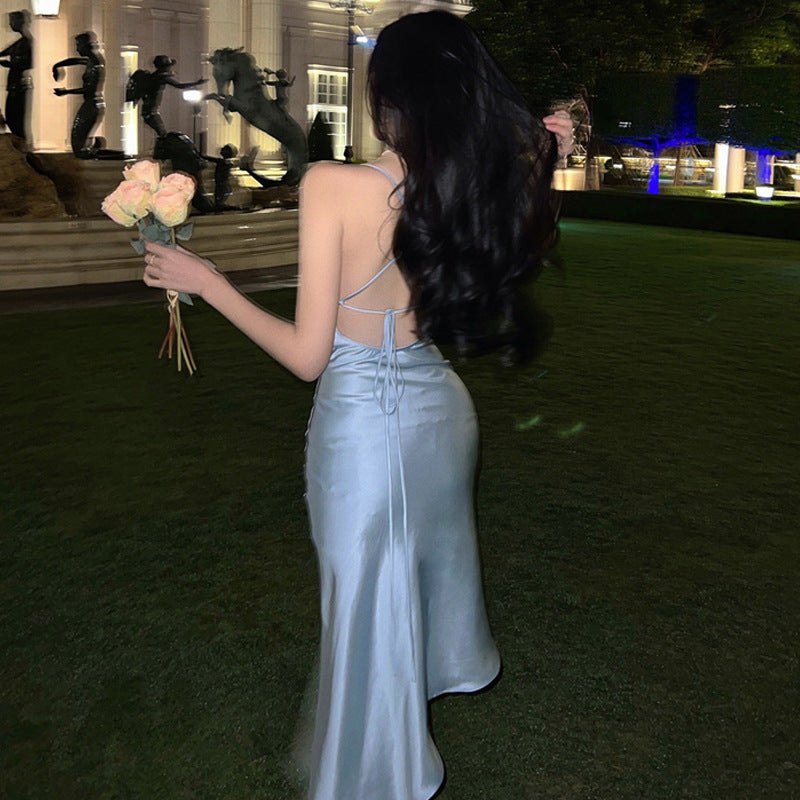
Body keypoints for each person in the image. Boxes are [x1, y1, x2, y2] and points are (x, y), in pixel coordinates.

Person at [142, 10, 574, 799]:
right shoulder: (462, 183)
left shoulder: (335, 185)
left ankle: (374, 775)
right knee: (400, 589)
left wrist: (207, 281)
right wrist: (547, 150)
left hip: (366, 434)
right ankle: (394, 733)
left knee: (364, 607)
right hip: (440, 416)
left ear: (388, 95)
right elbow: (524, 176)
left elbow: (309, 357)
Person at [52, 31, 106, 158]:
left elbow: (89, 89)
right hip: (92, 104)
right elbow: (76, 60)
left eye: (78, 45)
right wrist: (58, 65)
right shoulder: (92, 60)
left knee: (78, 146)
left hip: (92, 105)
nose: (77, 49)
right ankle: (95, 150)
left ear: (86, 45)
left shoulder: (95, 64)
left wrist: (66, 92)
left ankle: (97, 152)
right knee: (78, 142)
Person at [0, 10, 33, 141]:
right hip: (14, 85)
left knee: (15, 119)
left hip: (19, 85)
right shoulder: (20, 42)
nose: (10, 24)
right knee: (12, 117)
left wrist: (10, 64)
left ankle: (21, 144)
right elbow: (6, 52)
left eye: (12, 21)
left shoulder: (26, 42)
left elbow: (28, 63)